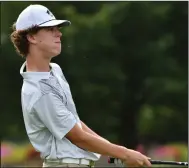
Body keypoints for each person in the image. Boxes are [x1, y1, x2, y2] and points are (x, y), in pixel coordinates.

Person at [10, 4, 152, 168]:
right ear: (31, 37)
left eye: (58, 28)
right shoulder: (40, 91)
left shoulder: (54, 70)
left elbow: (75, 122)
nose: (59, 33)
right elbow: (77, 136)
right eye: (50, 29)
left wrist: (118, 152)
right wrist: (125, 153)